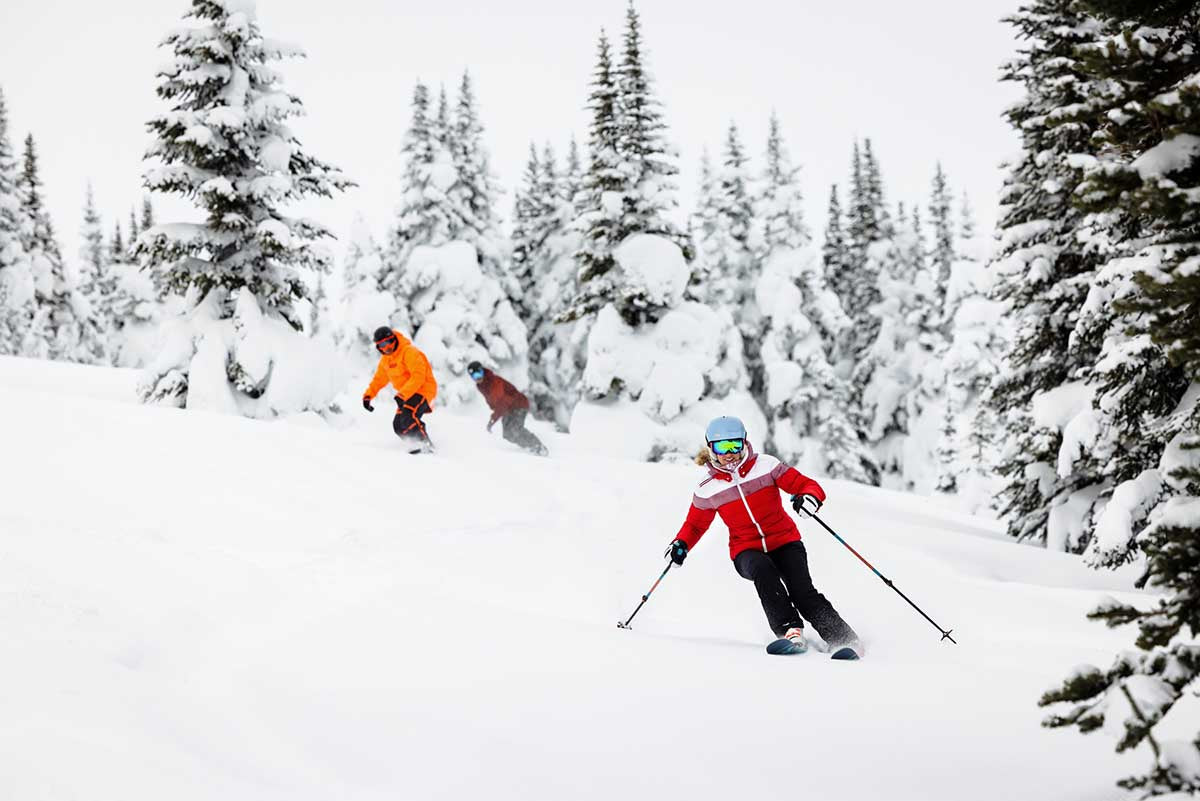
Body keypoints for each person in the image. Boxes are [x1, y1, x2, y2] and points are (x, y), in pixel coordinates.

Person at [666, 415, 860, 654]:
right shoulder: (708, 488)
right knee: (763, 570)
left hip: (785, 541)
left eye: (735, 445)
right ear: (711, 448)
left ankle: (844, 639)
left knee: (802, 592)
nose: (730, 454)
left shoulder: (766, 466)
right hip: (745, 550)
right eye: (722, 447)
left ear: (744, 442)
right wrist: (681, 544)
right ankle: (790, 631)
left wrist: (810, 498)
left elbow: (804, 485)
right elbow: (695, 525)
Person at [362, 326, 437, 453]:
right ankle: (414, 443)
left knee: (408, 415)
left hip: (423, 389)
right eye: (381, 345)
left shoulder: (409, 352)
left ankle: (425, 444)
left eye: (388, 342)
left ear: (394, 339)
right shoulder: (386, 361)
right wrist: (368, 395)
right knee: (398, 426)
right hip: (407, 394)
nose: (386, 348)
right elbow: (379, 379)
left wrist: (403, 394)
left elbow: (418, 376)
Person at [466, 360, 548, 456]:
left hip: (518, 405)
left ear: (482, 371)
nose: (478, 378)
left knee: (514, 430)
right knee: (507, 435)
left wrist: (493, 419)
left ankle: (538, 447)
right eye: (474, 376)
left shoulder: (494, 381)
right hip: (507, 409)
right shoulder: (482, 386)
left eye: (479, 373)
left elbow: (502, 402)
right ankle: (530, 447)